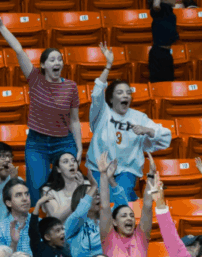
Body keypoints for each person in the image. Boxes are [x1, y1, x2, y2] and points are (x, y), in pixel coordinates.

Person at [0, 6, 82, 200]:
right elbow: (18, 49)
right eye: (52, 59)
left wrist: (79, 148)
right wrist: (1, 26)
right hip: (37, 143)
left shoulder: (71, 86)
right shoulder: (35, 78)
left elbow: (74, 120)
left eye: (60, 59)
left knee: (70, 190)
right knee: (36, 191)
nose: (57, 62)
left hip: (64, 142)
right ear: (43, 65)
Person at [87, 45, 171, 203]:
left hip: (127, 170)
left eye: (128, 93)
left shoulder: (139, 117)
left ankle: (130, 200)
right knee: (102, 201)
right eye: (120, 92)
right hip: (99, 169)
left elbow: (165, 136)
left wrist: (147, 130)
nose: (125, 95)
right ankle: (133, 200)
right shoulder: (101, 112)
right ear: (111, 99)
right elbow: (97, 92)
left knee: (119, 199)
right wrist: (108, 66)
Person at [98, 153, 155, 257]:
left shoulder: (141, 237)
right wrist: (103, 175)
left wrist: (150, 176)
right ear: (114, 222)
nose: (129, 218)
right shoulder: (109, 238)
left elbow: (148, 207)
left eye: (131, 215)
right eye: (123, 216)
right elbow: (104, 207)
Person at [65, 181, 103, 257]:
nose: (98, 197)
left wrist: (111, 181)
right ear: (82, 200)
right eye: (93, 194)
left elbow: (122, 208)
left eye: (98, 194)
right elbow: (79, 213)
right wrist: (94, 185)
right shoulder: (72, 223)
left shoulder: (105, 220)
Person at [0, 179, 33, 255]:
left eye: (26, 194)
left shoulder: (40, 224)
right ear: (9, 203)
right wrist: (13, 243)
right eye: (18, 195)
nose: (25, 198)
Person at [42, 152, 85, 222]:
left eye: (74, 161)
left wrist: (83, 188)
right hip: (61, 231)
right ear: (58, 169)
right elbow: (56, 218)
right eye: (65, 162)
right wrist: (79, 192)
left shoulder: (87, 184)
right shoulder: (48, 191)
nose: (71, 164)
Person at [0, 141, 18, 233]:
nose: (7, 160)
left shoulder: (16, 180)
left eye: (10, 156)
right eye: (2, 156)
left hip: (10, 228)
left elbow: (21, 209)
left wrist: (13, 183)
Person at [149, 0, 180, 83]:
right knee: (157, 84)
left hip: (167, 53)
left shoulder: (170, 12)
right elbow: (156, 5)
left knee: (169, 83)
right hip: (158, 54)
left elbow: (174, 2)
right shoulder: (160, 10)